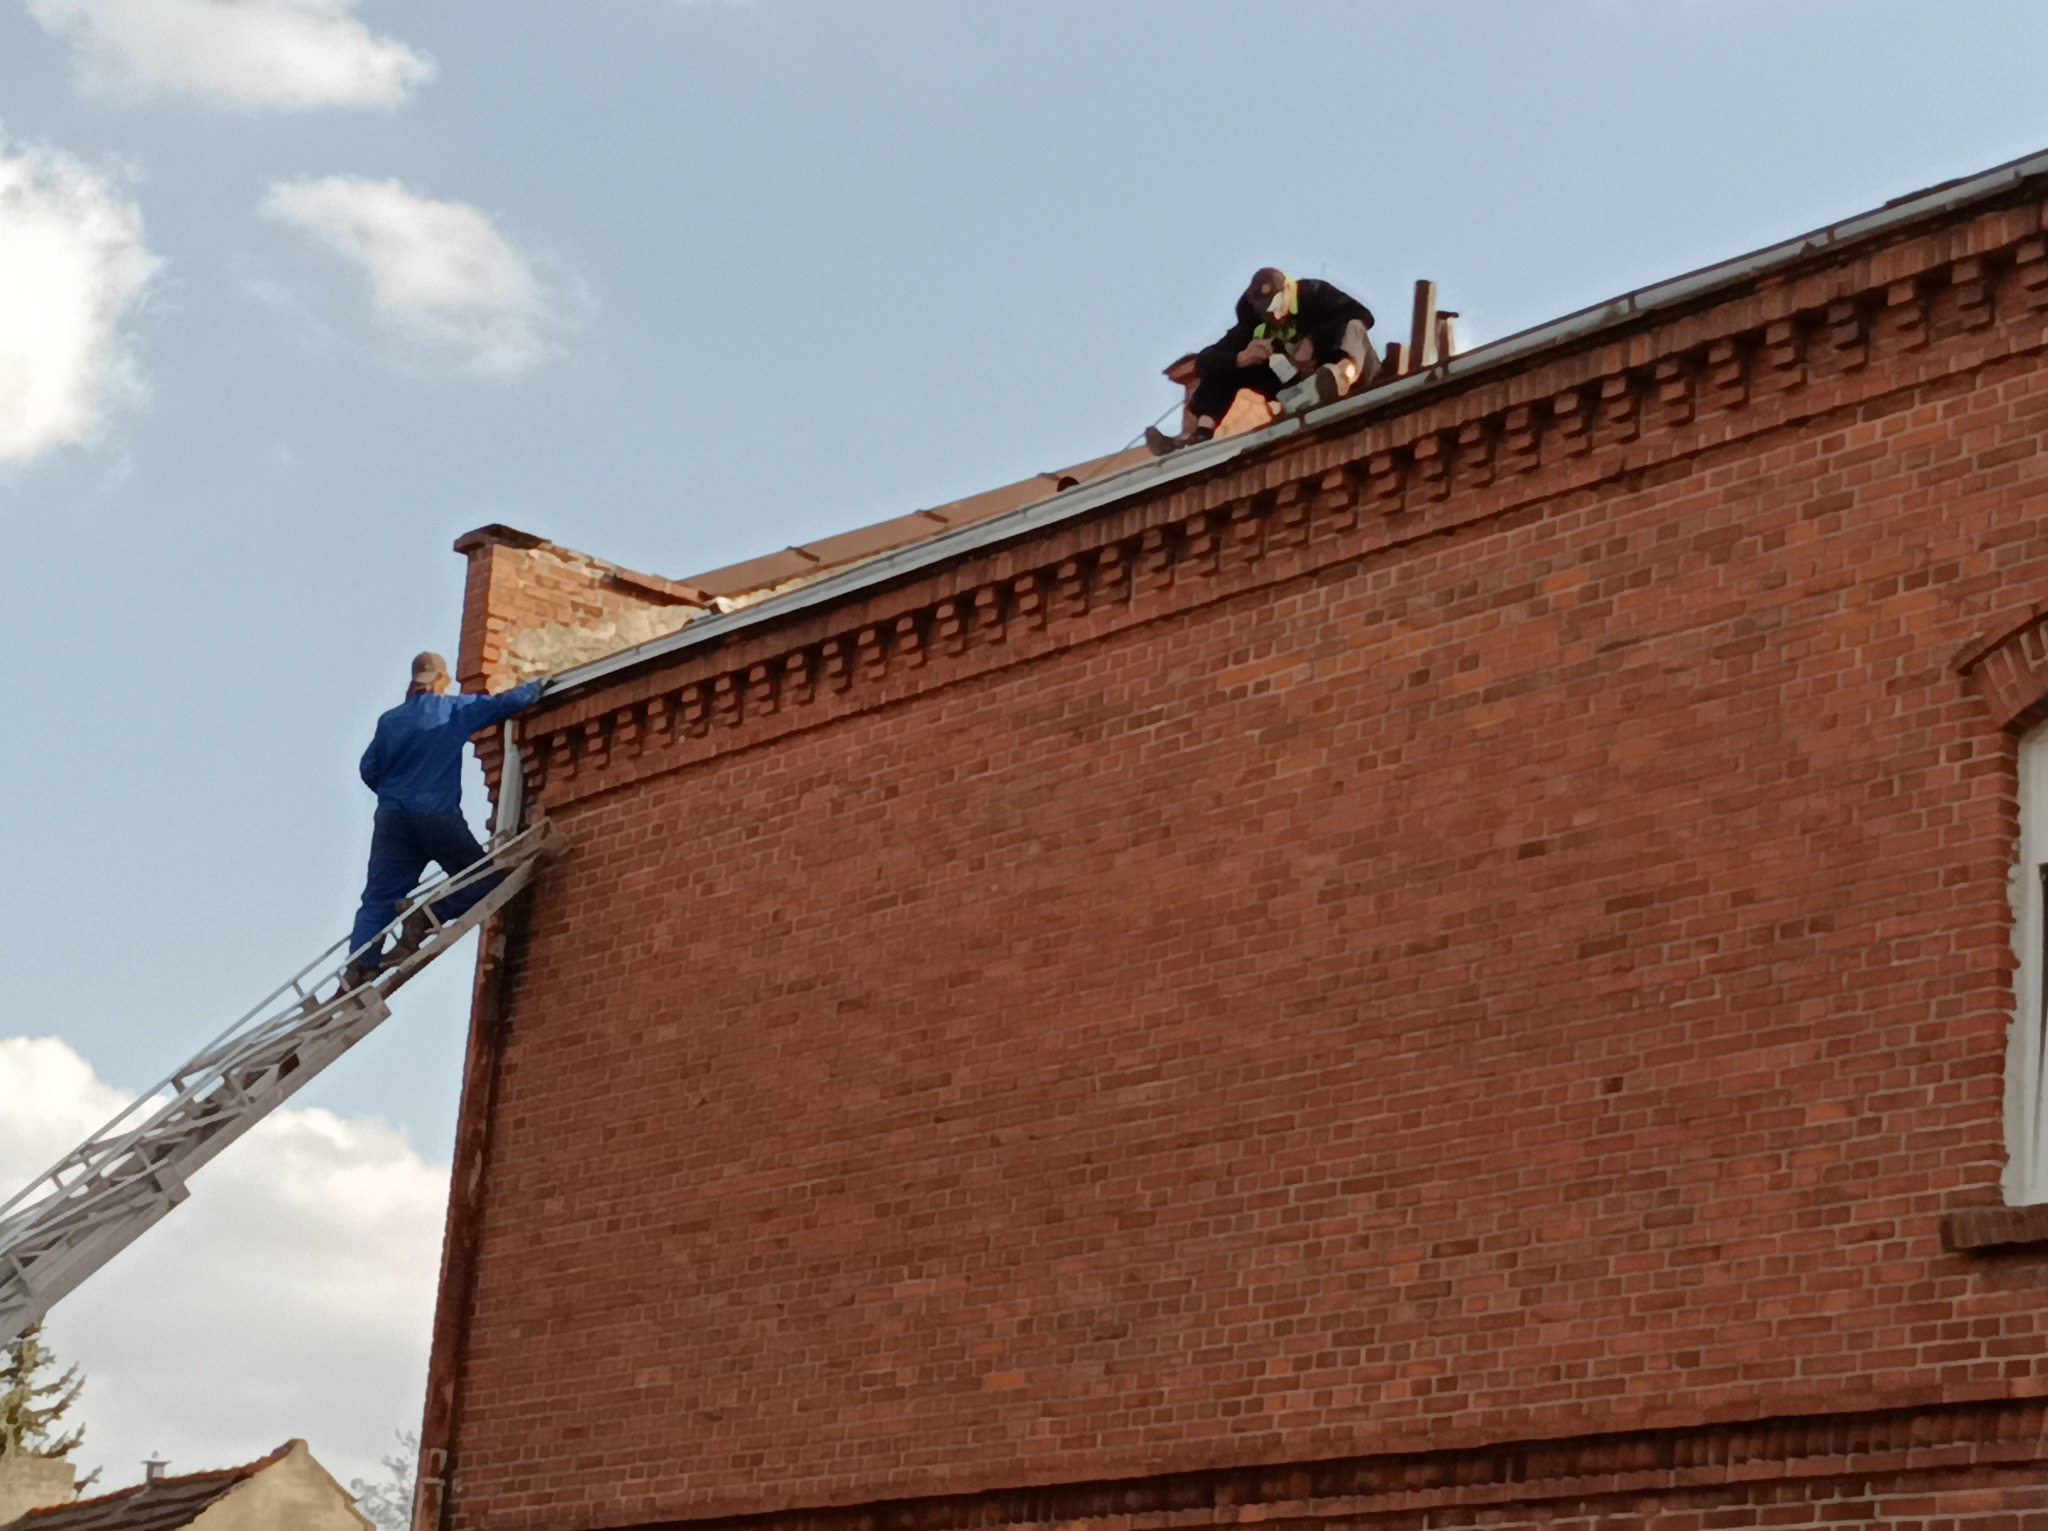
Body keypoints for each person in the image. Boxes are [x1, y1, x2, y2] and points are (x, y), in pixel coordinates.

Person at [343, 652, 542, 985]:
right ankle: (426, 916)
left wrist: (394, 792)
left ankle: (357, 969)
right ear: (441, 680)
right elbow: (502, 704)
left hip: (392, 820)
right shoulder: (453, 709)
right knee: (484, 881)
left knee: (378, 897)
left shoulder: (389, 721)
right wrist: (538, 685)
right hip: (437, 817)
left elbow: (368, 769)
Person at [1146, 268, 1379, 455]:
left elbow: (1362, 314)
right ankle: (1197, 436)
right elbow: (1207, 359)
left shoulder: (1315, 293)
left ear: (1287, 290)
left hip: (1342, 370)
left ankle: (1337, 379)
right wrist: (1241, 357)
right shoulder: (1254, 322)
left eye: (1277, 306)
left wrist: (1314, 341)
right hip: (1292, 383)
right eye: (1268, 313)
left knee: (1352, 327)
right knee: (1225, 366)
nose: (1275, 317)